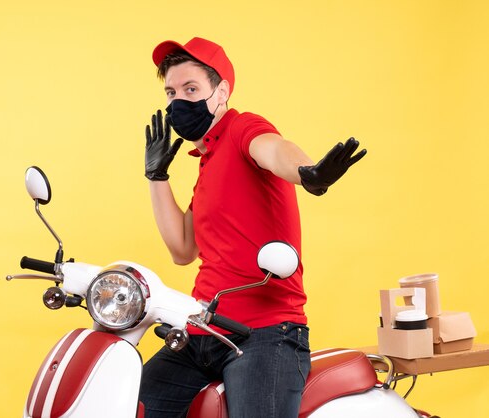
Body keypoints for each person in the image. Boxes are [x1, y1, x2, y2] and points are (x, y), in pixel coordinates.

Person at [141, 37, 366, 418]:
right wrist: (156, 175)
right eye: (171, 92)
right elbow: (182, 250)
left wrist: (306, 173)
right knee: (130, 401)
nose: (178, 101)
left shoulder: (243, 128)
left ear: (222, 91)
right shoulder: (207, 164)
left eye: (191, 89)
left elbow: (274, 149)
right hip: (202, 331)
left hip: (265, 334)